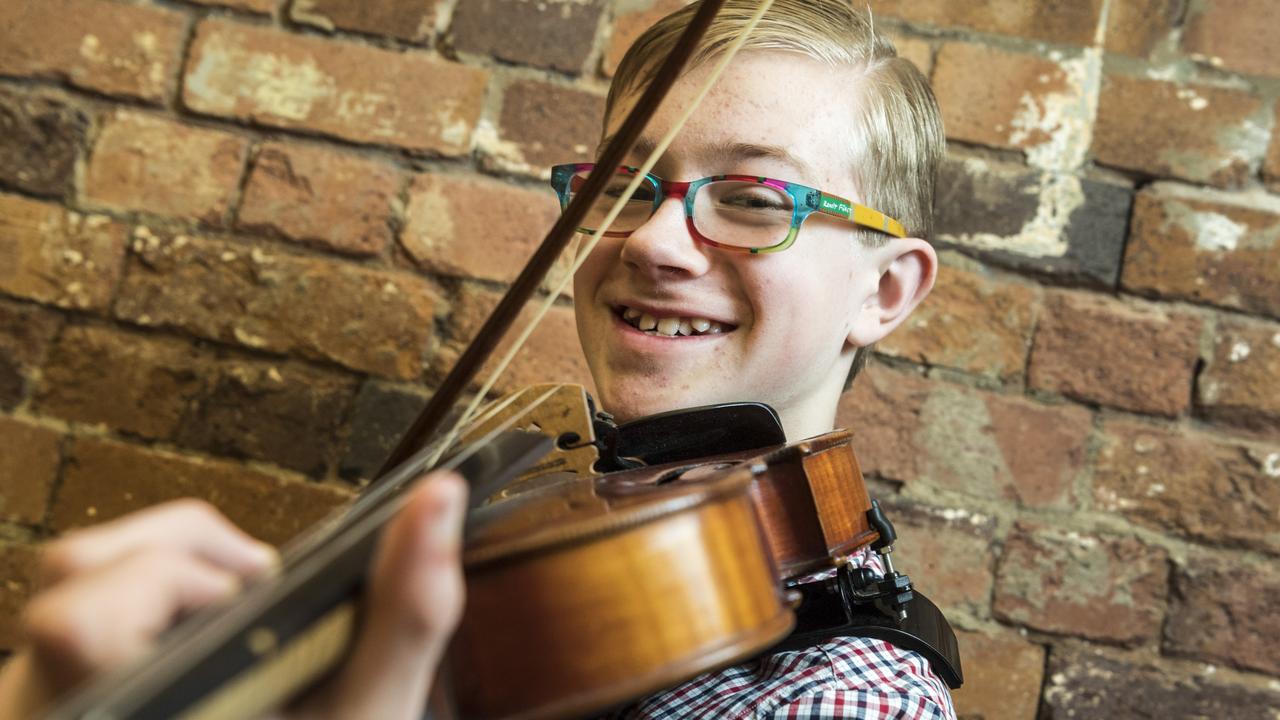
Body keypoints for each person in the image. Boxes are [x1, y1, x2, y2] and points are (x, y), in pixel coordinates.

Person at [0, 0, 951, 717]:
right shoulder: (550, 494)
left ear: (886, 291)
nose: (656, 243)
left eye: (753, 199)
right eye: (626, 184)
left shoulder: (840, 697)